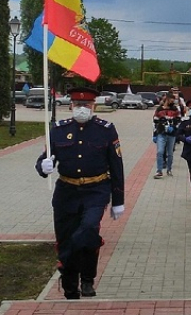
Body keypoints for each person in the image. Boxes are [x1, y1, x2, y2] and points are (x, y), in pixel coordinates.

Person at [35, 87, 125, 299]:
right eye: (78, 105)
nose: (82, 109)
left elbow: (117, 166)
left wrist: (118, 200)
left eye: (86, 105)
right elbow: (45, 159)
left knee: (87, 231)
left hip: (96, 190)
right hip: (67, 192)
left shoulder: (106, 130)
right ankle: (69, 285)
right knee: (66, 238)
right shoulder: (57, 129)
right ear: (70, 106)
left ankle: (86, 279)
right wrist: (44, 166)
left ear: (94, 106)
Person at [152, 101, 180, 178]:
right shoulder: (159, 110)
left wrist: (174, 128)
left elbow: (179, 121)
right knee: (160, 152)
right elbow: (155, 123)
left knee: (170, 153)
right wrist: (154, 134)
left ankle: (169, 169)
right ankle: (159, 171)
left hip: (171, 135)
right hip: (161, 134)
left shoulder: (175, 110)